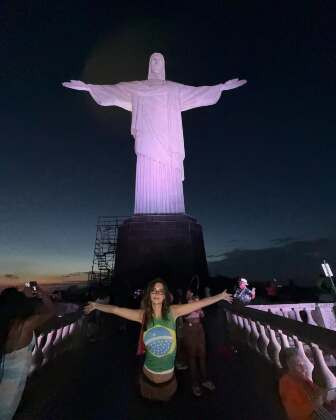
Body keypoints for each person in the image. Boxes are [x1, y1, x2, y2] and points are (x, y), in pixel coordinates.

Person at [63, 53, 246, 214]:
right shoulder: (138, 87)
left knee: (169, 173)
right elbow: (115, 90)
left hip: (168, 139)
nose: (156, 63)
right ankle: (145, 211)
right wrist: (89, 87)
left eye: (159, 60)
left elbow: (197, 93)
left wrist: (220, 87)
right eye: (153, 60)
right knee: (147, 175)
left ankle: (173, 212)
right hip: (147, 139)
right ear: (150, 65)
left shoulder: (173, 88)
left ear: (163, 65)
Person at [84, 278, 232, 401]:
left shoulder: (173, 312)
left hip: (169, 385)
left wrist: (220, 296)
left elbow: (200, 304)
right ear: (149, 294)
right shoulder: (143, 315)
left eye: (160, 291)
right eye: (154, 290)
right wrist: (96, 305)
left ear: (165, 296)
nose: (157, 293)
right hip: (146, 383)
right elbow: (116, 310)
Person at [0, 285, 55, 420]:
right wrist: (40, 291)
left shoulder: (6, 323)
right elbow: (51, 310)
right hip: (11, 385)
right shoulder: (25, 325)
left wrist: (27, 297)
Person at [279, 347, 332, 420]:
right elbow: (294, 414)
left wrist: (332, 394)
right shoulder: (286, 384)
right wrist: (316, 403)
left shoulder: (302, 379)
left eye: (303, 363)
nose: (304, 367)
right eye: (298, 365)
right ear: (288, 369)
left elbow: (321, 393)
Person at [183, 294, 215, 397]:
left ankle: (205, 380)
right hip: (189, 329)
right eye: (188, 292)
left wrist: (199, 309)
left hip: (199, 328)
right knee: (192, 357)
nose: (190, 293)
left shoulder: (197, 299)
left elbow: (202, 315)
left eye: (191, 292)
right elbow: (182, 315)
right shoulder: (183, 302)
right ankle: (195, 384)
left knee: (202, 355)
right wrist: (193, 306)